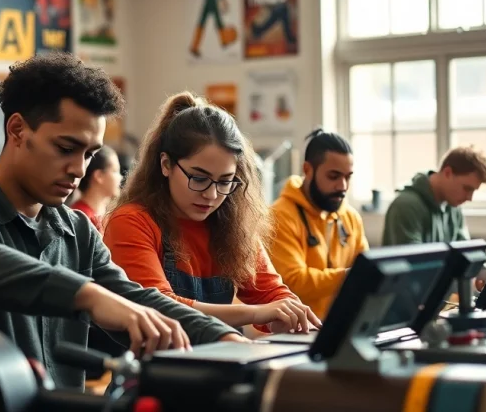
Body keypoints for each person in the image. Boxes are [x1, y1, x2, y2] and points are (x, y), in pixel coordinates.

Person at [0, 54, 244, 412]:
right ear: (18, 130)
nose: (79, 169)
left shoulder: (77, 231)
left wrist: (224, 340)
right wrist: (87, 295)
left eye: (89, 154)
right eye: (66, 148)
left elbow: (137, 300)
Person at [103, 92, 322, 333]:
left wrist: (287, 315)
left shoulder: (232, 225)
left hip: (217, 354)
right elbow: (158, 307)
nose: (212, 194)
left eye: (225, 181)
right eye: (199, 178)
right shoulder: (132, 221)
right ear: (166, 165)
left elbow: (271, 293)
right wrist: (256, 313)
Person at [268, 128, 368, 319]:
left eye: (348, 177)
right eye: (334, 176)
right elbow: (293, 282)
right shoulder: (279, 216)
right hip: (296, 328)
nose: (342, 186)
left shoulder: (350, 217)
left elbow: (366, 269)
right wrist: (350, 276)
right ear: (307, 170)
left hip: (342, 324)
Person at [382, 146, 486, 246]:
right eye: (467, 188)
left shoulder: (453, 206)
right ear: (447, 173)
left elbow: (465, 254)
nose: (469, 198)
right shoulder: (406, 206)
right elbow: (413, 260)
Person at [69, 144, 122, 232]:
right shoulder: (80, 219)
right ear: (99, 176)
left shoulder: (104, 218)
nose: (120, 177)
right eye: (115, 171)